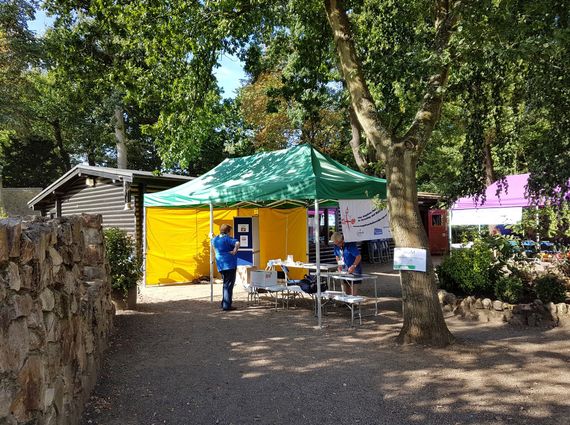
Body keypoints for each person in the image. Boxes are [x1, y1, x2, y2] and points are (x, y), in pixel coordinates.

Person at [212, 224, 240, 311]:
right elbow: (237, 243)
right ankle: (227, 306)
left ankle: (224, 303)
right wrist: (235, 251)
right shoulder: (227, 238)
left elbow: (213, 245)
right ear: (228, 231)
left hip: (220, 265)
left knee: (225, 285)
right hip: (229, 264)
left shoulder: (215, 239)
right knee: (229, 285)